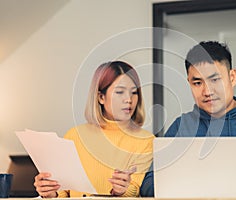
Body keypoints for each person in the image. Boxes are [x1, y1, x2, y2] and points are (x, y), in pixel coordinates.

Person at [140, 41, 236, 197]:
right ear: (189, 83)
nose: (207, 91)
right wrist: (190, 186)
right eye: (197, 83)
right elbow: (148, 184)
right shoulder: (182, 127)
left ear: (232, 77)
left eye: (215, 80)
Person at [34, 61, 154, 198]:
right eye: (120, 92)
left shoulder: (146, 140)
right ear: (101, 97)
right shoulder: (74, 136)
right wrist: (50, 193)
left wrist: (122, 190)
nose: (129, 99)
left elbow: (135, 190)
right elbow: (63, 193)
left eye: (134, 92)